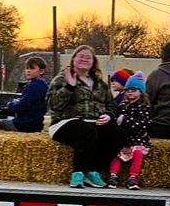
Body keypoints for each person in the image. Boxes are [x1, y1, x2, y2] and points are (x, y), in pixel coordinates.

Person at [46, 44, 127, 188]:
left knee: (118, 134)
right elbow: (53, 105)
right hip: (66, 122)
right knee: (87, 131)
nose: (84, 59)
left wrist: (109, 115)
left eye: (88, 57)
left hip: (95, 122)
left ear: (93, 62)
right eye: (81, 56)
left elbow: (111, 105)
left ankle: (93, 170)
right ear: (73, 60)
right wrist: (69, 87)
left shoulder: (100, 84)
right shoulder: (61, 80)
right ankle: (78, 173)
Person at [108, 71, 151, 189]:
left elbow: (143, 124)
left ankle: (133, 177)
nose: (130, 92)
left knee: (138, 153)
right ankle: (113, 175)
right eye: (127, 90)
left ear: (141, 92)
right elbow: (116, 120)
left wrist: (125, 119)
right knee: (116, 152)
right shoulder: (122, 105)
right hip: (124, 138)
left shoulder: (144, 107)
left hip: (138, 138)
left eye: (133, 89)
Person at [0, 56, 48, 132]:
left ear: (41, 71)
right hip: (37, 125)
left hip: (24, 124)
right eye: (27, 68)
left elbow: (22, 106)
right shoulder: (44, 85)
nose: (28, 71)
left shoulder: (33, 86)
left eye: (32, 68)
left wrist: (11, 105)